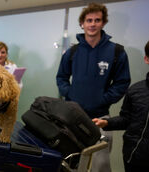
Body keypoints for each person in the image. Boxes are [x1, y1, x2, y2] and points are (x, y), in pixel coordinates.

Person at [56, 3, 131, 172]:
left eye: (97, 20)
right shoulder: (72, 52)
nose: (92, 24)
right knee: (71, 164)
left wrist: (102, 100)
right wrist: (70, 94)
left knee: (100, 166)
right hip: (72, 119)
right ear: (82, 23)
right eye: (89, 20)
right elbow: (61, 77)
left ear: (103, 23)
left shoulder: (117, 52)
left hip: (100, 119)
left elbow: (122, 83)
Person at [92, 41, 149, 172]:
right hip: (135, 158)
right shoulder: (135, 90)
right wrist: (106, 122)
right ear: (147, 59)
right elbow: (126, 119)